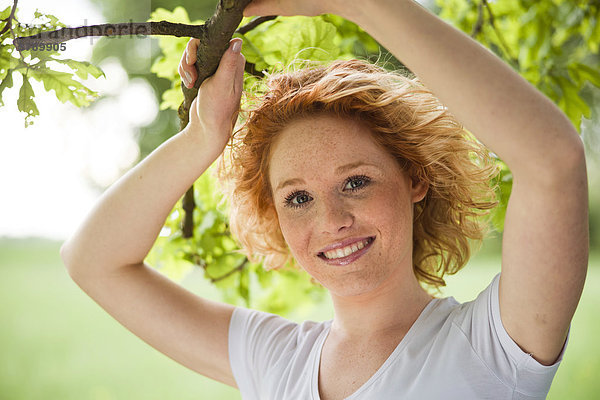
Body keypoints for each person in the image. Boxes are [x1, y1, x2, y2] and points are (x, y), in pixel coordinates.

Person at [60, 0, 589, 399]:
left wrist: (359, 3)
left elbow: (553, 162)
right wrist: (201, 139)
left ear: (414, 179)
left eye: (356, 182)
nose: (332, 219)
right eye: (297, 198)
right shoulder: (275, 360)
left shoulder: (493, 347)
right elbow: (92, 261)